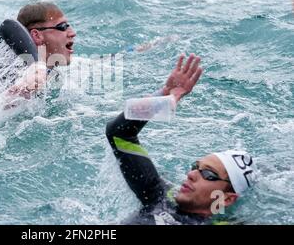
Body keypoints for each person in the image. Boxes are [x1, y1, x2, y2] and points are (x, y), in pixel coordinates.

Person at [105, 53, 257, 225]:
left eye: (208, 174)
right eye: (196, 167)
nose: (191, 174)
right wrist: (163, 97)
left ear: (226, 199)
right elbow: (119, 133)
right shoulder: (161, 197)